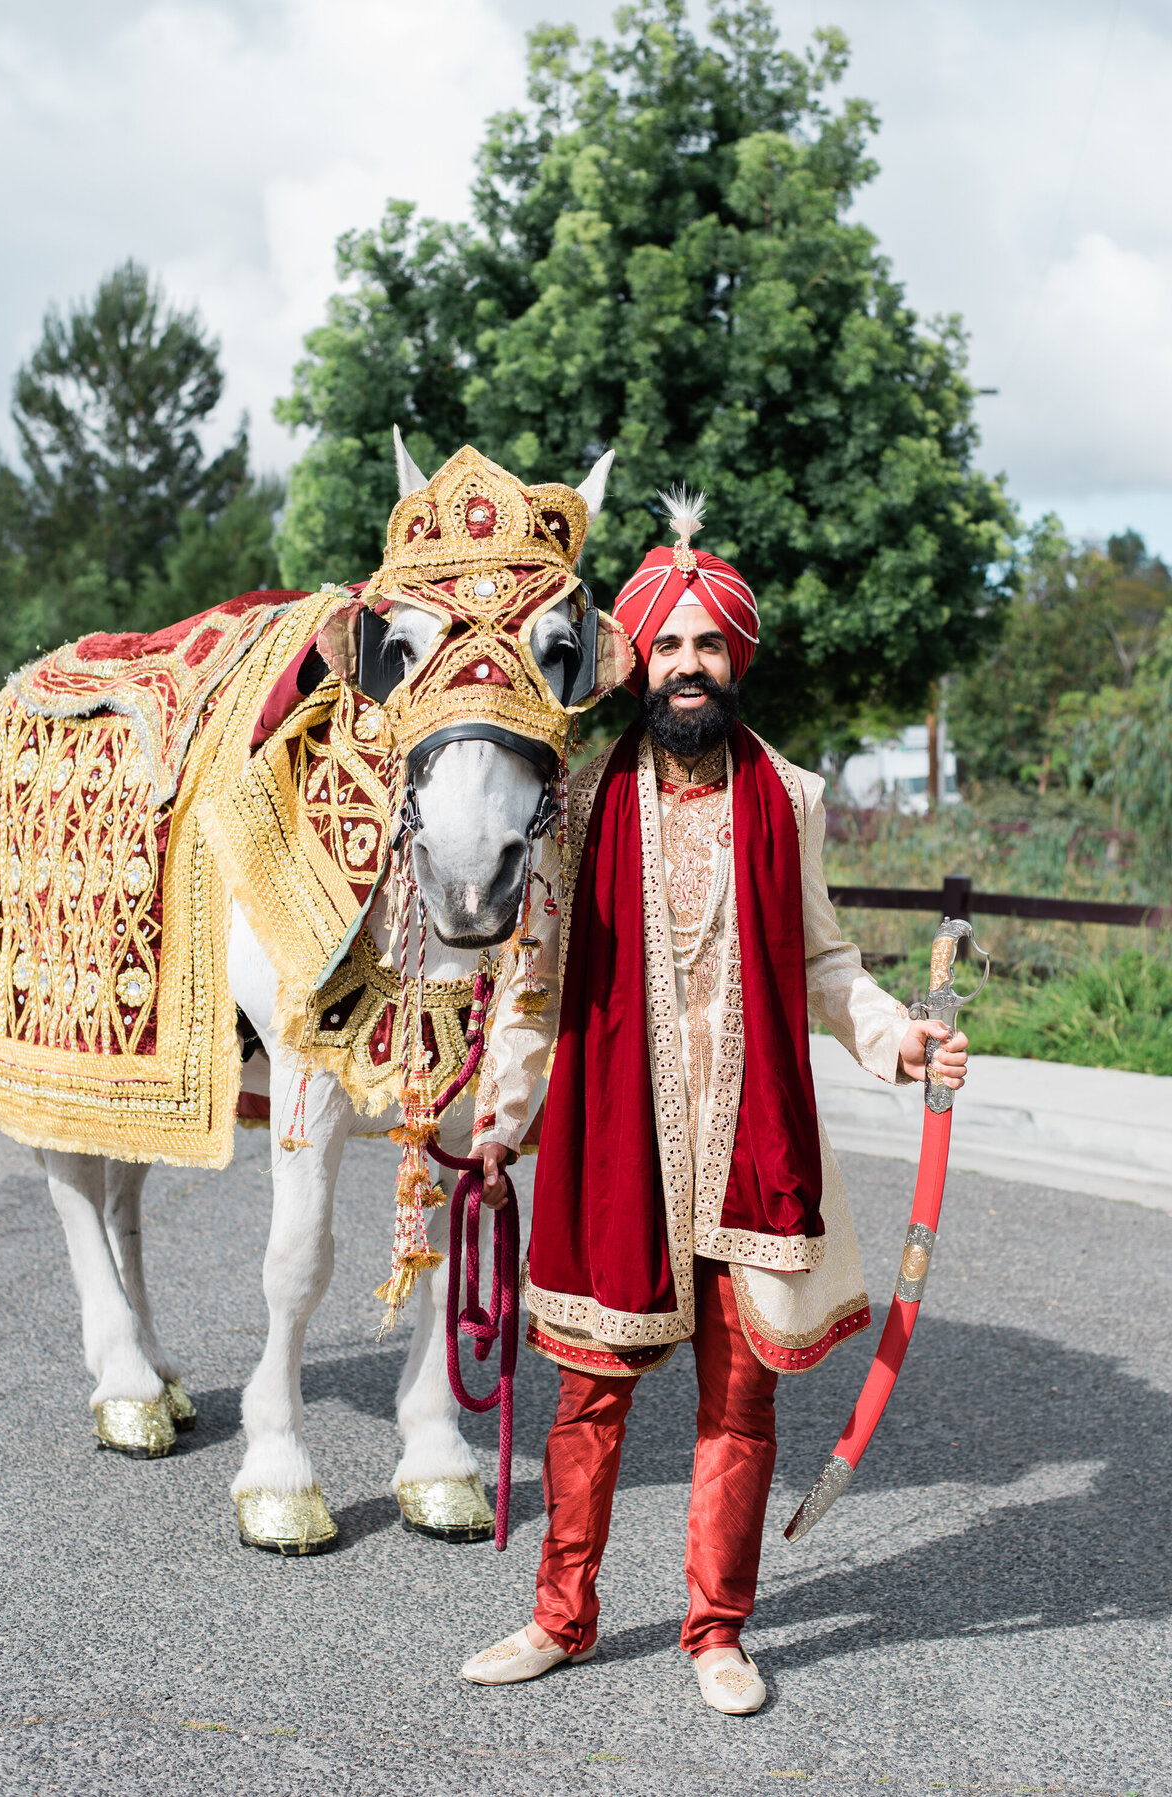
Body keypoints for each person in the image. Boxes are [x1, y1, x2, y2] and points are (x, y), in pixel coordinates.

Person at [460, 490, 968, 1714]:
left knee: (740, 1399)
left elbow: (826, 961)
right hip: (611, 1139)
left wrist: (899, 1043)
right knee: (588, 1392)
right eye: (670, 645)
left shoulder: (787, 794)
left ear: (736, 657)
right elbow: (533, 987)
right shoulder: (577, 803)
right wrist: (501, 1113)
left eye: (709, 646)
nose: (690, 667)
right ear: (641, 659)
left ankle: (715, 1631)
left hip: (749, 1141)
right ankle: (560, 1618)